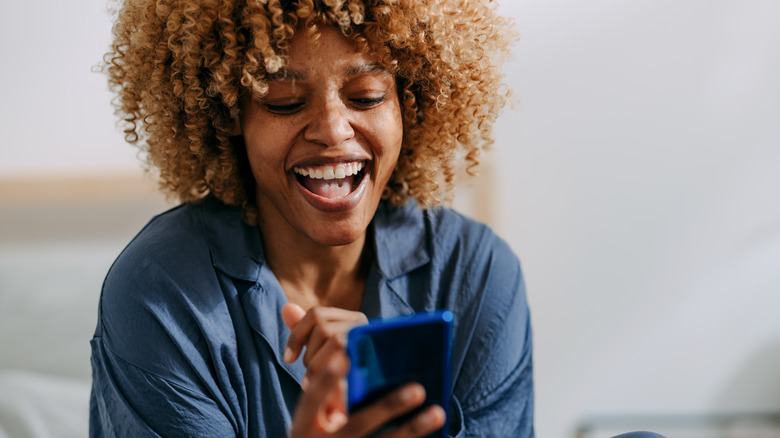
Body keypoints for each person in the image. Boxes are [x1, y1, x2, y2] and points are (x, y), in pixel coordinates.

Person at [89, 0, 531, 436]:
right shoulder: (162, 294)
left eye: (366, 96)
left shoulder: (476, 273)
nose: (333, 129)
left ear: (408, 103)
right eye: (284, 102)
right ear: (228, 113)